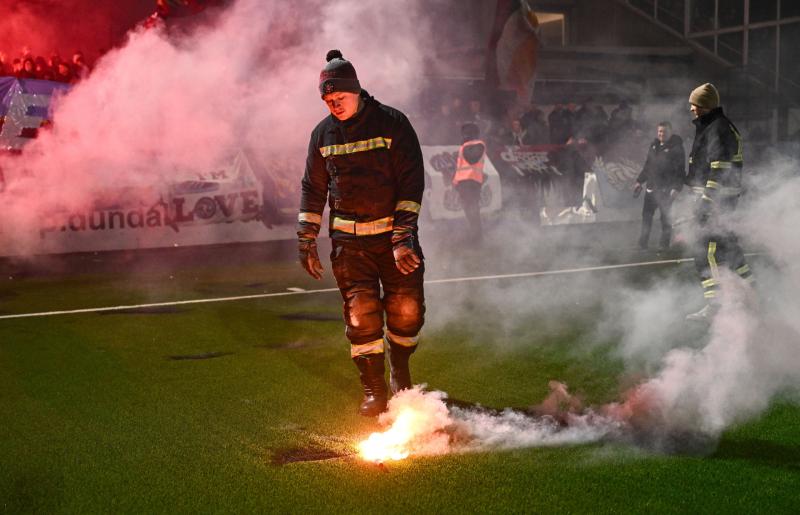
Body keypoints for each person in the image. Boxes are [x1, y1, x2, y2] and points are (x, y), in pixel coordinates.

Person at [297, 50, 426, 416]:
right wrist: (306, 238)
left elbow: (411, 183)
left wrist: (403, 238)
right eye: (327, 100)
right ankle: (374, 390)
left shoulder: (392, 123)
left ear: (356, 90)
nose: (333, 105)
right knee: (361, 316)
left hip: (392, 241)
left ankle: (400, 370)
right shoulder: (322, 134)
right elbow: (312, 188)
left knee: (407, 312)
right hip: (350, 246)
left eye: (338, 97)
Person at [684, 83, 753, 321]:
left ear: (704, 105)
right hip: (717, 200)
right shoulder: (712, 126)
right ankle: (752, 293)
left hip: (717, 202)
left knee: (708, 249)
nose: (691, 108)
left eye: (694, 104)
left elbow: (719, 169)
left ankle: (715, 304)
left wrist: (705, 201)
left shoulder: (717, 128)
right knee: (729, 248)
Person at [633, 121, 685, 250]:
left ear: (670, 132)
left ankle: (664, 245)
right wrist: (639, 181)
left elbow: (681, 170)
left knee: (665, 219)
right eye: (660, 131)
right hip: (651, 189)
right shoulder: (654, 145)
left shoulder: (676, 148)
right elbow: (647, 166)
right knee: (646, 217)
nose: (662, 134)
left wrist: (677, 188)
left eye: (665, 131)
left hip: (666, 190)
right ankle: (642, 244)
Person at [453, 122, 486, 241]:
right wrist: (456, 181)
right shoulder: (465, 146)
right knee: (468, 209)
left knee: (473, 209)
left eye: (465, 133)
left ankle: (476, 237)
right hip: (463, 183)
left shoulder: (479, 144)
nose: (463, 135)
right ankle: (474, 235)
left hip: (472, 182)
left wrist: (465, 144)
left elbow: (471, 159)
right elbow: (460, 166)